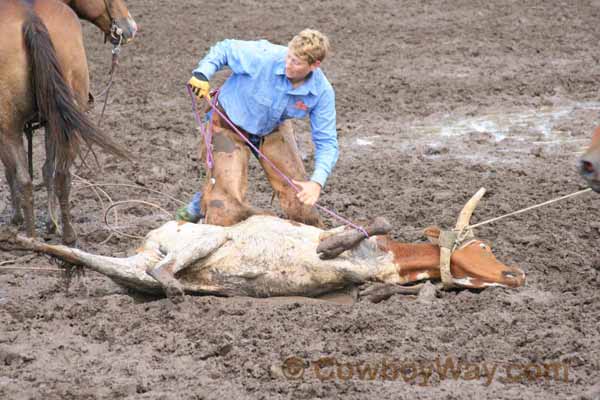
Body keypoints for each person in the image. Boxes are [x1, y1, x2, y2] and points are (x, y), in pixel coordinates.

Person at [178, 29, 338, 227]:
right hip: (228, 124)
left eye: (296, 62)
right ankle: (196, 208)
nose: (288, 64)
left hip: (271, 129)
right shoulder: (264, 56)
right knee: (226, 206)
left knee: (301, 200)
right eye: (289, 56)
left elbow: (327, 142)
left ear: (314, 65)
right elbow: (226, 48)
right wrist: (203, 73)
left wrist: (317, 183)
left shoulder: (321, 92)